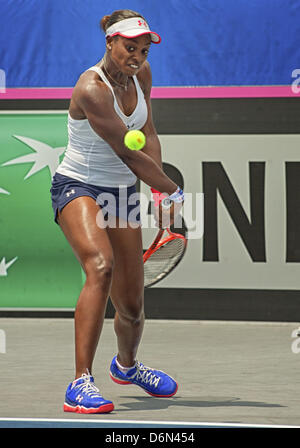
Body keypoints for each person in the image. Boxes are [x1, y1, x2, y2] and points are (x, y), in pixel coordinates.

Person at [50, 9, 184, 414]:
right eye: (130, 47)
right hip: (80, 186)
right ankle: (80, 382)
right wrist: (172, 190)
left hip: (121, 193)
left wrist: (159, 195)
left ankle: (126, 367)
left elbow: (150, 135)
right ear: (110, 43)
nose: (137, 56)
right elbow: (127, 151)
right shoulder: (91, 87)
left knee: (132, 305)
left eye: (143, 50)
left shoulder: (141, 76)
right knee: (101, 266)